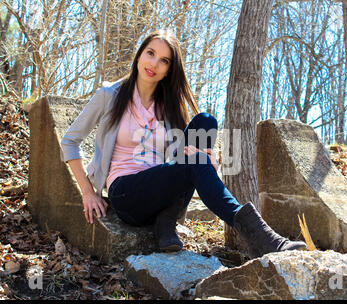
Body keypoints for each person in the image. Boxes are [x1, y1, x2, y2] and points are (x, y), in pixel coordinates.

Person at [61, 29, 306, 258]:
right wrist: (88, 192)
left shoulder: (168, 108)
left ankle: (166, 220)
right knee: (194, 162)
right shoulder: (110, 96)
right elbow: (70, 141)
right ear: (139, 55)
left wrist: (207, 163)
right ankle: (263, 238)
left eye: (164, 60)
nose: (154, 64)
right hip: (127, 192)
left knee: (205, 121)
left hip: (161, 188)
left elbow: (179, 159)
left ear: (169, 70)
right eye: (151, 53)